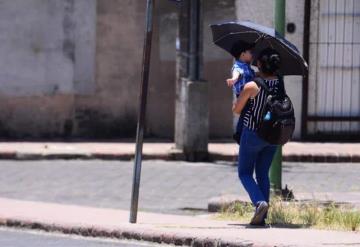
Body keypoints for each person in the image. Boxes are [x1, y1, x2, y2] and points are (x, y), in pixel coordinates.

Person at [232, 48, 282, 226]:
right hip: (273, 137)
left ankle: (259, 203)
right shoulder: (280, 84)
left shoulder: (252, 86)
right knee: (262, 173)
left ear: (260, 64)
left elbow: (237, 110)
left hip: (253, 134)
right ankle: (262, 216)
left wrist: (237, 98)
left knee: (245, 172)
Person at [226, 42, 255, 143]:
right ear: (243, 54)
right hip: (242, 95)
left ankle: (244, 131)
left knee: (247, 112)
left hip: (249, 94)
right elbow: (236, 74)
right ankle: (239, 133)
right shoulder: (238, 66)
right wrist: (233, 79)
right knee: (245, 112)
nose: (252, 54)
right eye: (250, 52)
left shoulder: (248, 67)